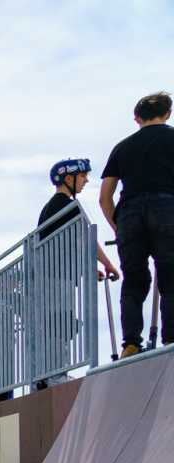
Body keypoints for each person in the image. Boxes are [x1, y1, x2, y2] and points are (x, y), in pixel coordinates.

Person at [26, 159, 120, 392]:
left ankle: (46, 378)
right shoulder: (67, 205)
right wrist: (108, 263)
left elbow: (70, 244)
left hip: (51, 276)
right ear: (69, 179)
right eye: (83, 176)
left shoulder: (53, 206)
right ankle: (56, 376)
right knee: (60, 324)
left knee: (53, 324)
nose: (86, 180)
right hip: (56, 279)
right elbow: (85, 238)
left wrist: (89, 268)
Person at [100, 91, 174, 359]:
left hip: (129, 212)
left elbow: (105, 196)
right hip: (167, 208)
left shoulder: (122, 147)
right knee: (170, 274)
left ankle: (130, 343)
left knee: (134, 279)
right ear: (168, 113)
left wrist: (117, 226)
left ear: (136, 118)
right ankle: (171, 339)